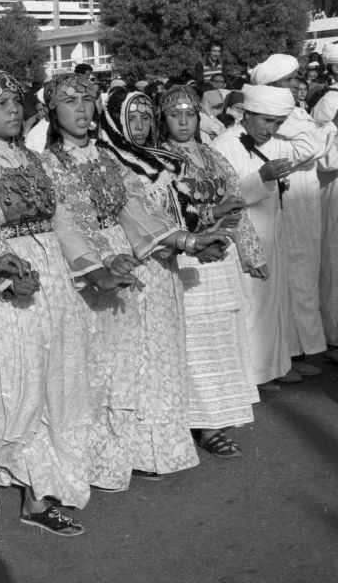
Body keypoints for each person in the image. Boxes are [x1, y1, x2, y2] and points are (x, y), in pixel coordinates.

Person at [0, 69, 122, 536]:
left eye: (16, 102)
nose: (13, 111)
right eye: (1, 104)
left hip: (54, 281)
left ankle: (38, 498)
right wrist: (1, 277)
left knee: (55, 383)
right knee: (11, 387)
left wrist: (93, 266)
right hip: (8, 282)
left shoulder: (35, 160)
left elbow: (62, 218)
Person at [39, 75, 221, 489]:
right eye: (70, 102)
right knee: (94, 369)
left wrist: (188, 241)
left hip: (124, 264)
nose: (82, 110)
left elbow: (136, 211)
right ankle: (88, 464)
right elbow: (65, 224)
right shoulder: (47, 164)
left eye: (88, 101)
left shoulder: (105, 158)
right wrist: (99, 264)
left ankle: (126, 456)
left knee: (127, 366)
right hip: (84, 272)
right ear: (52, 112)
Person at [98, 88, 231, 478]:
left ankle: (165, 445)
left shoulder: (156, 160)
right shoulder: (109, 162)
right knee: (135, 355)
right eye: (130, 118)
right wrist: (186, 242)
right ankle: (137, 449)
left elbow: (180, 211)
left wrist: (200, 233)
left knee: (162, 351)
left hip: (166, 265)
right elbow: (138, 218)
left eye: (143, 117)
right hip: (134, 261)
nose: (138, 126)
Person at [157, 86, 265, 455]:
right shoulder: (157, 160)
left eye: (190, 114)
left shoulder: (214, 156)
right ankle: (198, 424)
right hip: (188, 258)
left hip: (223, 262)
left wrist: (252, 253)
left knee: (224, 341)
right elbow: (164, 216)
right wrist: (210, 215)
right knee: (194, 343)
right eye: (176, 115)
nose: (184, 122)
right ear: (164, 119)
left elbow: (237, 205)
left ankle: (216, 419)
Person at [212, 84, 327, 389]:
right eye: (266, 121)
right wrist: (261, 178)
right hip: (244, 238)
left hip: (272, 233)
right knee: (253, 305)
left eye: (277, 123)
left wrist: (286, 123)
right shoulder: (224, 145)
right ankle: (253, 373)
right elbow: (224, 197)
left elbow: (311, 146)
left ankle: (276, 365)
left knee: (275, 302)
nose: (272, 129)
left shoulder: (274, 141)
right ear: (246, 113)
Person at [249, 55, 332, 377]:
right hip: (285, 198)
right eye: (290, 80)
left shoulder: (296, 114)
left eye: (298, 78)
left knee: (304, 274)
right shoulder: (278, 116)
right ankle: (287, 354)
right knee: (288, 275)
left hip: (305, 199)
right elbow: (312, 147)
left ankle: (301, 349)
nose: (298, 84)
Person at [310, 91, 338, 352]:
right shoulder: (330, 101)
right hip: (334, 196)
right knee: (333, 266)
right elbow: (325, 161)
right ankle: (333, 334)